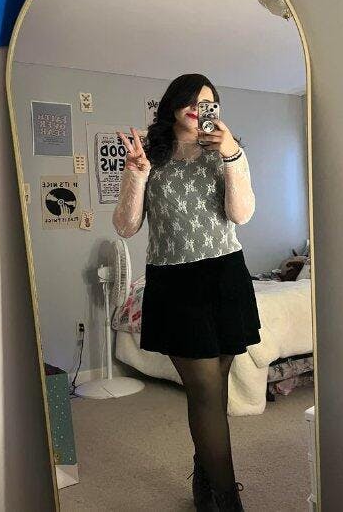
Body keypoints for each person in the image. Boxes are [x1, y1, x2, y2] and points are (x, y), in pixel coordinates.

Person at [112, 73, 261, 511]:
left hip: (226, 277)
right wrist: (137, 175)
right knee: (205, 392)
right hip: (175, 283)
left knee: (213, 393)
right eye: (191, 101)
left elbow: (241, 215)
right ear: (173, 104)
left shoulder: (228, 151)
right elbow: (126, 226)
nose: (199, 109)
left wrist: (231, 155)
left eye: (208, 102)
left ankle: (205, 484)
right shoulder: (149, 155)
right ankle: (227, 501)